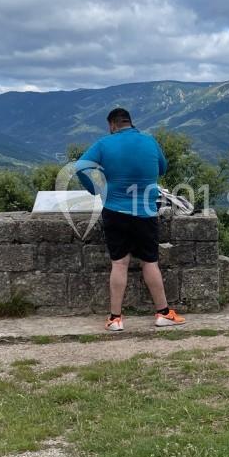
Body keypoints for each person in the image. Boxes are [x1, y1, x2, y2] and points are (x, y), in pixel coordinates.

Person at [76, 107, 186, 331]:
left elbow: (80, 167)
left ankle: (115, 319)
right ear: (130, 122)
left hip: (114, 210)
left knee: (119, 263)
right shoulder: (149, 141)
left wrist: (94, 189)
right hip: (145, 211)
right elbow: (162, 168)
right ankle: (163, 313)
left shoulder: (104, 143)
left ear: (112, 125)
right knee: (150, 261)